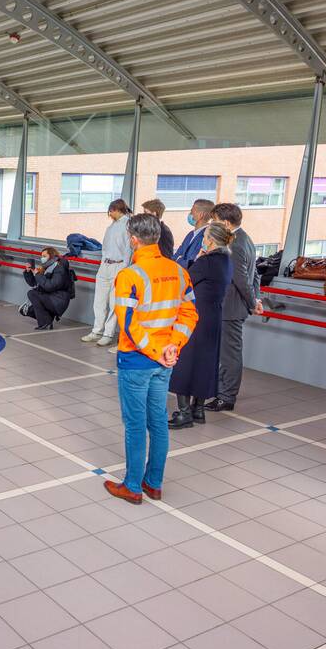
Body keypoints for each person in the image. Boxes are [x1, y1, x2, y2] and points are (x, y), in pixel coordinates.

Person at [104, 213, 199, 505]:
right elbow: (189, 314)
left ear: (134, 240)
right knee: (157, 421)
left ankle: (132, 486)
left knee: (135, 424)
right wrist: (173, 347)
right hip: (164, 361)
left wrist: (157, 350)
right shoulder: (179, 271)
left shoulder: (129, 275)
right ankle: (153, 483)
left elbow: (129, 325)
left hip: (137, 361)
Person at [168, 223, 234, 429]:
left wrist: (195, 260)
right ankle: (198, 410)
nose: (203, 240)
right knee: (205, 362)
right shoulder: (226, 261)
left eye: (205, 237)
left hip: (196, 317)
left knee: (184, 362)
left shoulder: (206, 262)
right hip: (214, 317)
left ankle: (184, 413)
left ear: (211, 241)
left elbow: (184, 281)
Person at [206, 203, 263, 412]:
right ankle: (221, 391)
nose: (212, 224)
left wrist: (253, 303)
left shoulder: (235, 245)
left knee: (229, 355)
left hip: (230, 308)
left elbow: (241, 280)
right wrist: (256, 298)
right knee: (225, 353)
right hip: (232, 306)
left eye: (215, 221)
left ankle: (226, 397)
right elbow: (255, 275)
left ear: (226, 223)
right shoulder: (246, 239)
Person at [81, 199, 132, 346]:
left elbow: (128, 250)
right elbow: (105, 248)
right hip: (105, 266)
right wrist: (103, 263)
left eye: (111, 211)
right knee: (99, 301)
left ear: (117, 209)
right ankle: (96, 331)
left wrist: (124, 268)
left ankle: (108, 334)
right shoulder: (111, 227)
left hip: (119, 266)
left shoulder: (128, 225)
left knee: (114, 303)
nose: (110, 214)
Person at [23, 247, 74, 330]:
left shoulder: (60, 268)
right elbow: (34, 283)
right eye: (41, 256)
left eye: (44, 256)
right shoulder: (47, 267)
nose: (42, 258)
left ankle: (45, 322)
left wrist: (38, 275)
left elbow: (50, 286)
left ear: (51, 256)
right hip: (51, 297)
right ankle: (48, 319)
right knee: (26, 310)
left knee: (32, 294)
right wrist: (28, 272)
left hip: (59, 300)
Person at [174, 198, 214, 268]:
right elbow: (176, 255)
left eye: (192, 211)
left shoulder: (206, 237)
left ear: (201, 215)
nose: (190, 214)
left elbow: (193, 262)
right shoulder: (190, 234)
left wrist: (179, 260)